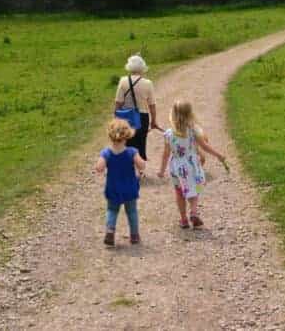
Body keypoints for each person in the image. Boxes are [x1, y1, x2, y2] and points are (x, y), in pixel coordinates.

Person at [158, 100, 229, 229]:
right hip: (192, 165)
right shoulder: (194, 131)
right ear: (190, 114)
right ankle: (194, 212)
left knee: (179, 192)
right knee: (194, 189)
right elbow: (205, 146)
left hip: (177, 168)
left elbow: (165, 155)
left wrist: (162, 170)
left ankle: (184, 219)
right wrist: (218, 155)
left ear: (173, 115)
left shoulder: (168, 134)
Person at [94, 118, 147, 246]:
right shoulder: (132, 152)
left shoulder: (106, 153)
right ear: (127, 135)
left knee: (112, 210)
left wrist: (102, 163)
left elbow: (99, 168)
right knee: (132, 211)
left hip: (113, 188)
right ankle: (134, 235)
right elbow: (142, 166)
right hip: (129, 187)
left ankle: (110, 231)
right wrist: (141, 165)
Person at [114, 54, 160, 161]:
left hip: (125, 117)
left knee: (126, 142)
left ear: (129, 67)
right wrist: (153, 121)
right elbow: (152, 105)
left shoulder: (123, 81)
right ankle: (140, 169)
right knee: (140, 143)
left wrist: (115, 118)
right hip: (142, 117)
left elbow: (118, 102)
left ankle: (127, 166)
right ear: (143, 68)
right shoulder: (148, 83)